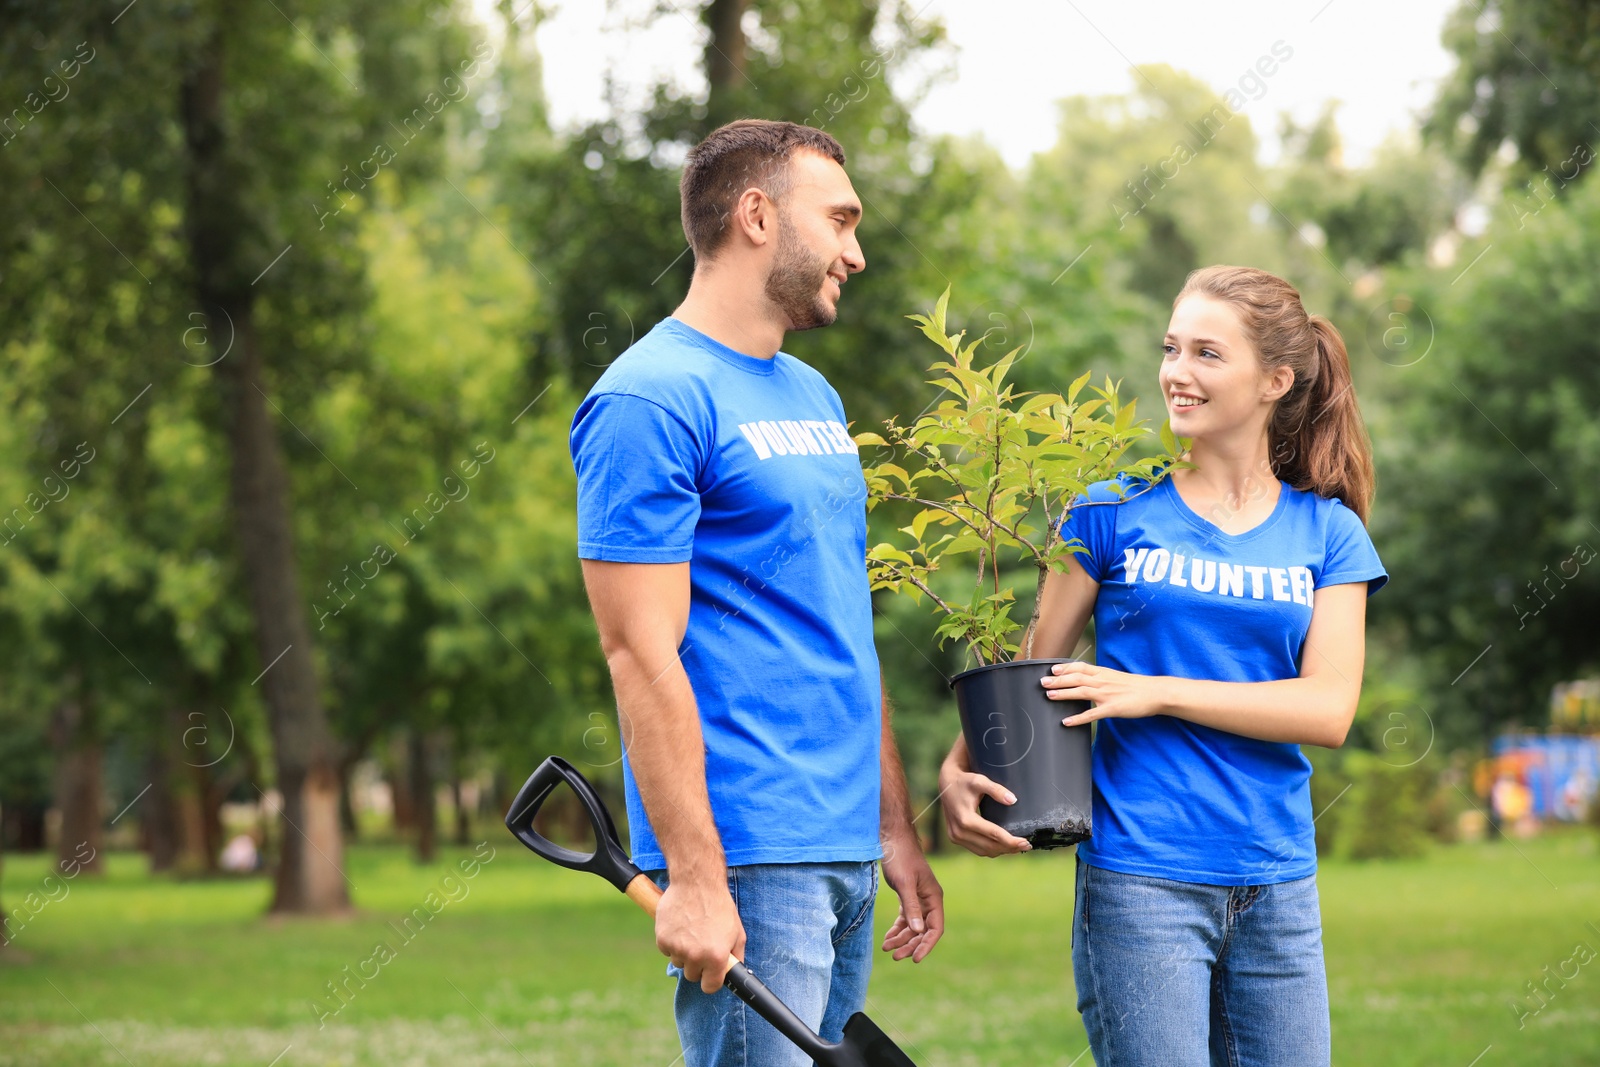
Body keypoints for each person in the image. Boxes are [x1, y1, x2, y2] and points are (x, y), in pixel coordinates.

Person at [939, 265, 1387, 1066]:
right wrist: (957, 767)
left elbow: (1328, 709)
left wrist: (1153, 692)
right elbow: (1030, 670)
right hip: (1140, 877)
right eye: (1172, 347)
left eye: (1208, 354)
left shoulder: (1329, 534)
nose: (1177, 372)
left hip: (1276, 883)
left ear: (1275, 380)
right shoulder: (1109, 512)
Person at [569, 119, 943, 1067]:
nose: (857, 253)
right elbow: (638, 650)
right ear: (756, 215)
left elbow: (841, 623)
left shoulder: (812, 396)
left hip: (843, 841)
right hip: (752, 850)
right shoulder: (648, 400)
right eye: (842, 221)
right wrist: (694, 876)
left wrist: (890, 825)